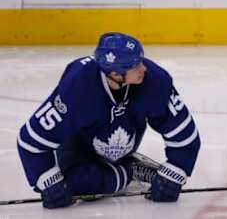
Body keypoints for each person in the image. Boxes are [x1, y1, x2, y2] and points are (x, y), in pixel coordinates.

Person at [17, 32, 200, 208]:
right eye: (136, 66)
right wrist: (47, 181)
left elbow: (185, 134)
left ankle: (121, 165)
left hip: (125, 139)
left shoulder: (154, 80)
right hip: (80, 147)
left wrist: (176, 170)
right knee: (79, 185)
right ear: (115, 74)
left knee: (82, 185)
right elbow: (30, 141)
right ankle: (130, 171)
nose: (144, 68)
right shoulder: (78, 87)